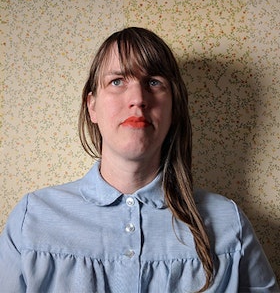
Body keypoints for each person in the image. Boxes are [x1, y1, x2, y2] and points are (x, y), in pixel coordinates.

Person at [0, 27, 278, 293]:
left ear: (174, 108)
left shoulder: (228, 223)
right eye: (117, 81)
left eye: (154, 82)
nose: (138, 98)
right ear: (92, 106)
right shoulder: (32, 218)